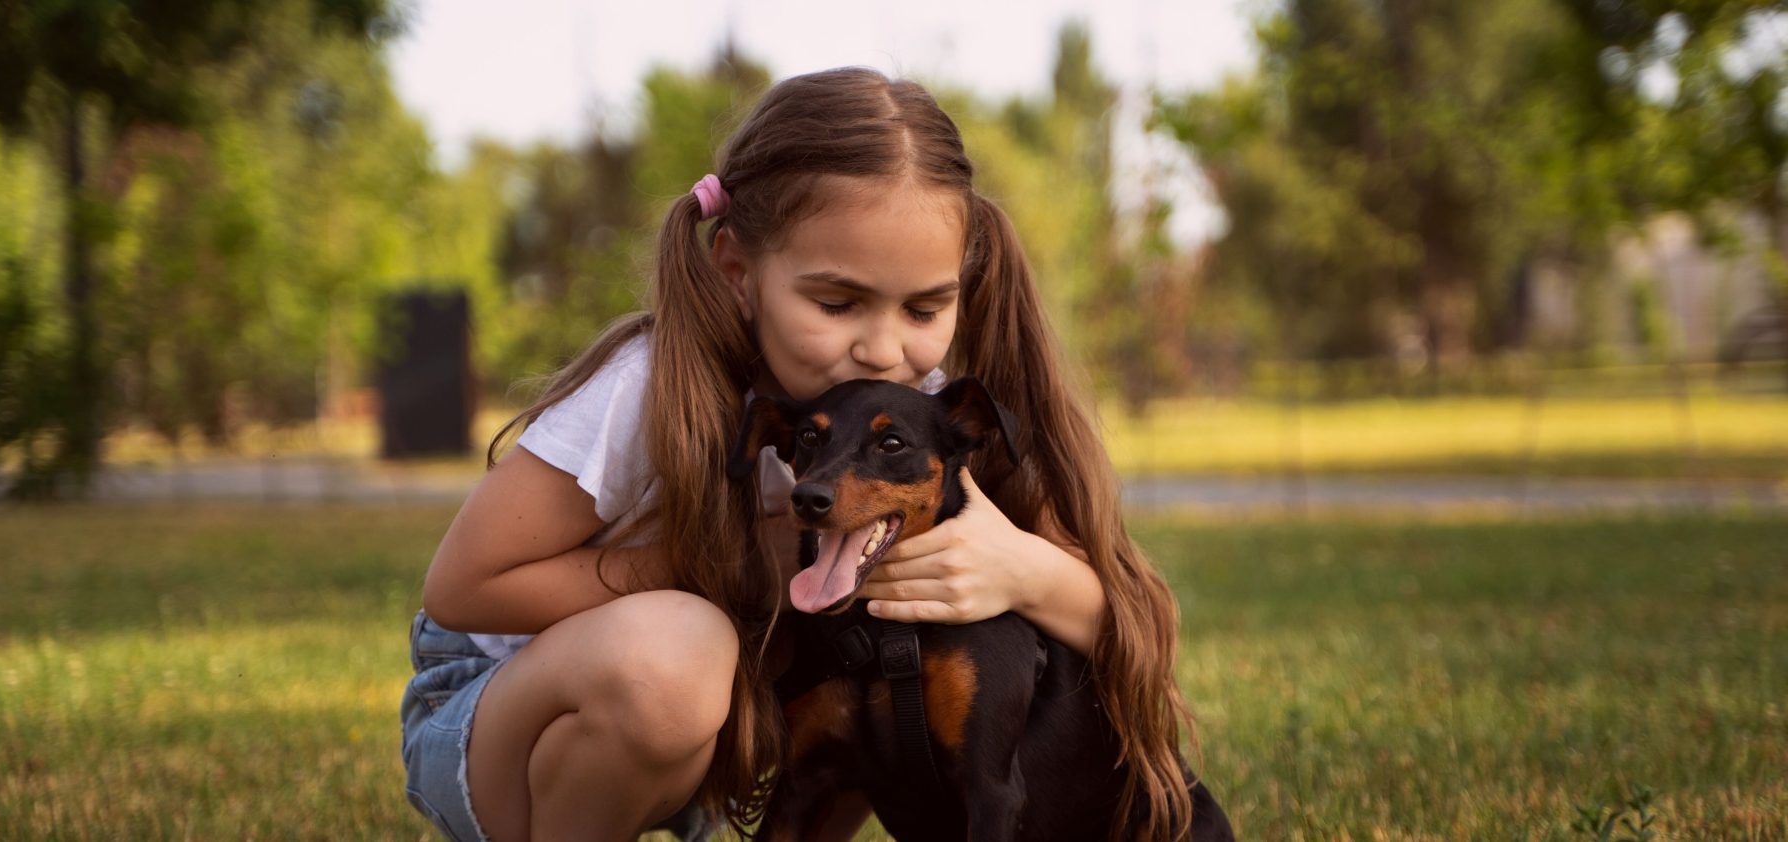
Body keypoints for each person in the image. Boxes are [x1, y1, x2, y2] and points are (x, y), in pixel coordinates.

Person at [399, 67, 1198, 842]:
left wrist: (1023, 569)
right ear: (739, 273)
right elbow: (465, 588)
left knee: (880, 658)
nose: (884, 348)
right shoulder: (649, 386)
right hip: (498, 729)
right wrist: (734, 561)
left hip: (719, 742)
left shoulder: (926, 416)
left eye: (925, 306)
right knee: (677, 653)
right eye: (836, 301)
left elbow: (1119, 624)